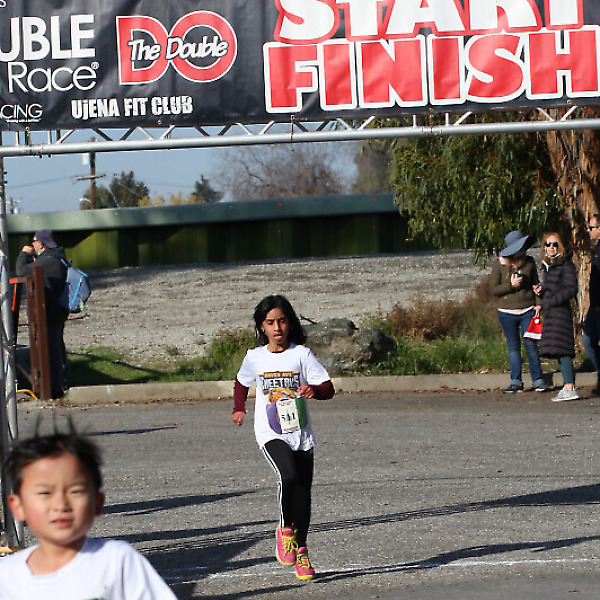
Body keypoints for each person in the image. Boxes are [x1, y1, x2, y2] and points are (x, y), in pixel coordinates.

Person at [0, 424, 177, 599]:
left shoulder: (117, 561)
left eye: (75, 491)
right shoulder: (7, 576)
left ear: (98, 503)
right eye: (45, 493)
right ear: (18, 507)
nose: (61, 504)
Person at [231, 295, 335, 581]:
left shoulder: (301, 354)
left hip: (300, 434)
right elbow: (241, 382)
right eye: (270, 322)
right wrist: (239, 408)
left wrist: (315, 391)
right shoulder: (255, 357)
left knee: (303, 493)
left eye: (282, 321)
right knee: (287, 476)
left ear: (290, 323)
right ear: (261, 327)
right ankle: (284, 530)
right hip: (271, 433)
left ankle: (301, 551)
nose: (277, 327)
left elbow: (328, 388)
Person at [490, 230, 549, 393]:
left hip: (528, 310)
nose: (522, 249)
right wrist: (511, 285)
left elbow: (535, 284)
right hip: (506, 312)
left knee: (531, 345)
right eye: (519, 246)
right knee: (513, 347)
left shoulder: (529, 262)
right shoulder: (499, 264)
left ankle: (538, 380)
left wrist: (538, 303)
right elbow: (493, 289)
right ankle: (516, 381)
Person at [16, 229, 69, 399]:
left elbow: (21, 270)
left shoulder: (46, 261)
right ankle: (60, 382)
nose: (32, 244)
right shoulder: (57, 258)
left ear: (42, 243)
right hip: (58, 309)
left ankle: (55, 387)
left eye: (34, 241)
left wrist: (24, 254)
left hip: (49, 310)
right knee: (56, 346)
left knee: (51, 348)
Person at [533, 233, 578, 401]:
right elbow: (555, 286)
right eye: (548, 244)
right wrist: (542, 290)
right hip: (552, 312)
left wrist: (552, 301)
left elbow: (570, 288)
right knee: (558, 349)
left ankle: (569, 387)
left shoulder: (566, 265)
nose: (551, 247)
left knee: (563, 348)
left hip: (560, 312)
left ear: (560, 246)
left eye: (555, 244)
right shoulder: (549, 266)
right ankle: (568, 385)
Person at [582, 214, 600, 395]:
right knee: (587, 341)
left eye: (592, 227)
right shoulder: (597, 249)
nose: (589, 231)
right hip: (594, 306)